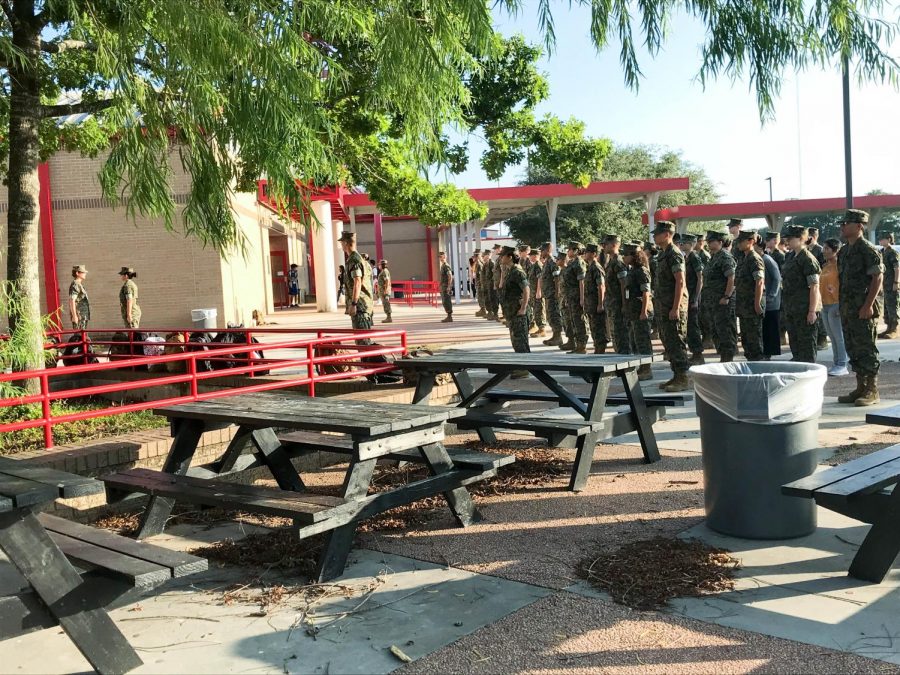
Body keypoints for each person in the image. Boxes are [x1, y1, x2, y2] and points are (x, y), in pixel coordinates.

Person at [837, 209, 883, 406]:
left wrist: (868, 305)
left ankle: (872, 390)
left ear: (858, 226)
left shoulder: (867, 249)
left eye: (846, 223)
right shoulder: (845, 251)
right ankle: (861, 387)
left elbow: (877, 278)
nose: (842, 227)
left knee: (866, 348)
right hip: (849, 308)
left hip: (863, 308)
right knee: (853, 347)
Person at [653, 221, 690, 392]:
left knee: (676, 341)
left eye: (658, 233)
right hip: (664, 305)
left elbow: (680, 281)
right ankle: (676, 375)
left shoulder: (674, 253)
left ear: (667, 234)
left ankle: (683, 378)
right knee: (668, 341)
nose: (654, 236)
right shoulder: (663, 254)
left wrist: (675, 307)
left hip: (673, 306)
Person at [781, 225, 821, 363]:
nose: (787, 241)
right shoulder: (790, 256)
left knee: (807, 346)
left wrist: (812, 311)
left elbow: (814, 286)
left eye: (790, 238)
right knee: (795, 344)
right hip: (792, 308)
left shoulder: (808, 259)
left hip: (804, 309)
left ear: (801, 238)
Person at [701, 231, 737, 362]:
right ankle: (723, 357)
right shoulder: (714, 257)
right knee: (716, 331)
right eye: (708, 242)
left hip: (723, 303)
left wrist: (726, 296)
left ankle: (727, 359)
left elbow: (731, 278)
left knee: (725, 331)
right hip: (713, 302)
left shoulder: (725, 257)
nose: (709, 244)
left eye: (712, 241)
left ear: (720, 242)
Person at [621, 243, 654, 380]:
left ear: (634, 256)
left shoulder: (641, 271)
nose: (623, 257)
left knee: (643, 341)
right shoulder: (632, 270)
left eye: (626, 254)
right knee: (635, 340)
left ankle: (646, 369)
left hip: (641, 310)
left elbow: (646, 292)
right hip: (633, 310)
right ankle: (641, 367)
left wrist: (643, 311)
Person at [498, 246, 531, 377]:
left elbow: (526, 290)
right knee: (516, 340)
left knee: (521, 340)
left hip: (518, 312)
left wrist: (523, 308)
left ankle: (524, 369)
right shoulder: (510, 271)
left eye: (503, 256)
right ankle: (521, 366)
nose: (501, 258)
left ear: (510, 256)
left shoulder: (517, 271)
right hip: (512, 312)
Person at [733, 232, 765, 361]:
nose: (738, 244)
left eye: (741, 241)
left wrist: (757, 303)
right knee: (746, 340)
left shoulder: (754, 259)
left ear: (751, 241)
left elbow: (760, 282)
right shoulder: (743, 258)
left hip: (752, 306)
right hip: (744, 305)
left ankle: (758, 367)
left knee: (754, 340)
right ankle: (751, 363)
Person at [819, 239, 848, 376]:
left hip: (836, 304)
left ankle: (842, 364)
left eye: (827, 248)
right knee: (832, 336)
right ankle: (836, 362)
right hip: (825, 304)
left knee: (839, 336)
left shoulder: (841, 266)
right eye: (824, 248)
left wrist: (841, 305)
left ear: (835, 250)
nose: (824, 251)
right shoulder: (825, 266)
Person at [756, 235, 783, 359]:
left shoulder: (767, 259)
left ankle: (769, 353)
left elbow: (777, 278)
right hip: (764, 300)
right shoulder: (758, 259)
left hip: (771, 302)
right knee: (765, 328)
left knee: (771, 328)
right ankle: (765, 352)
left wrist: (771, 296)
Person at [680, 234, 705, 364]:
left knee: (693, 326)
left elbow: (700, 278)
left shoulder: (695, 257)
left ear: (691, 244)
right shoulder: (686, 257)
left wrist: (695, 298)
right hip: (688, 296)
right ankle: (695, 352)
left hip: (693, 296)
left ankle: (698, 354)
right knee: (689, 326)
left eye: (684, 243)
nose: (681, 245)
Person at [603, 234, 630, 354]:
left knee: (621, 335)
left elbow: (624, 285)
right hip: (612, 304)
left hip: (618, 304)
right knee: (615, 335)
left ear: (614, 245)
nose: (603, 247)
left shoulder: (618, 262)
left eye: (605, 244)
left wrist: (625, 304)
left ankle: (625, 363)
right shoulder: (611, 261)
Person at [559, 242, 588, 353]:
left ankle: (582, 345)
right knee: (574, 321)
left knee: (579, 321)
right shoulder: (572, 263)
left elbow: (582, 282)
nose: (568, 252)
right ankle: (577, 344)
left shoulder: (579, 263)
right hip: (571, 298)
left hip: (576, 298)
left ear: (576, 250)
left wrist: (582, 298)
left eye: (570, 249)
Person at [583, 243, 608, 354]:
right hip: (591, 303)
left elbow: (601, 286)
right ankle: (597, 347)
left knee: (598, 327)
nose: (584, 254)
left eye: (587, 252)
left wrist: (600, 304)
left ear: (593, 254)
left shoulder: (596, 268)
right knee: (594, 327)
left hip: (596, 303)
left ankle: (600, 349)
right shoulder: (590, 267)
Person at [539, 242, 564, 346]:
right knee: (550, 315)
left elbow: (557, 278)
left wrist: (557, 292)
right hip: (548, 294)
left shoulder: (552, 262)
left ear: (547, 250)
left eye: (542, 250)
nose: (541, 252)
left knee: (554, 315)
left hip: (553, 294)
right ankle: (555, 335)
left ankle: (558, 337)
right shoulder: (547, 262)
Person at [878, 232, 900, 339]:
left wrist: (896, 283)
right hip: (885, 284)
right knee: (886, 307)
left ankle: (895, 329)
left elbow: (897, 269)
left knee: (893, 307)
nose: (880, 241)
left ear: (889, 239)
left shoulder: (892, 253)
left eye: (882, 239)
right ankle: (889, 327)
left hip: (892, 284)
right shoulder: (881, 252)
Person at [527, 248, 546, 337]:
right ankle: (536, 326)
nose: (529, 257)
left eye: (530, 255)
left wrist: (539, 291)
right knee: (535, 310)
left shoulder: (538, 265)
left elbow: (540, 279)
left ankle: (542, 329)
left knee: (539, 310)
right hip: (533, 291)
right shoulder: (533, 265)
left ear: (535, 256)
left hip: (537, 292)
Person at [68, 264, 90, 330]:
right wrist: (74, 316)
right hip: (79, 316)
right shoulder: (75, 284)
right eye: (83, 272)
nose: (85, 274)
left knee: (83, 336)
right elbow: (72, 300)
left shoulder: (79, 284)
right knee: (79, 337)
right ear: (77, 273)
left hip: (82, 316)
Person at [438, 251, 453, 323]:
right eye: (439, 257)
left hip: (446, 286)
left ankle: (449, 316)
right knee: (444, 302)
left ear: (445, 256)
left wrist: (449, 287)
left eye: (441, 256)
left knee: (447, 301)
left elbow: (450, 276)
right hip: (443, 286)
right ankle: (448, 316)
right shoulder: (443, 266)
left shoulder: (446, 266)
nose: (440, 258)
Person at [474, 249, 486, 317]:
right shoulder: (478, 263)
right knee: (480, 296)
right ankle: (482, 309)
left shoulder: (479, 264)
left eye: (476, 256)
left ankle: (483, 310)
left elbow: (481, 275)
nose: (474, 257)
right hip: (479, 283)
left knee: (480, 296)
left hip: (480, 283)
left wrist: (481, 284)